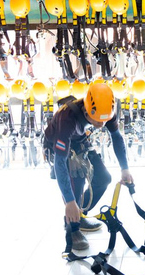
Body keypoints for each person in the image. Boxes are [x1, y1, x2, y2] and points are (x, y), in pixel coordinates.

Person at [42, 82, 133, 251]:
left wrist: (124, 168)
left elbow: (116, 137)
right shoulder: (67, 118)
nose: (101, 125)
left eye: (104, 120)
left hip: (80, 139)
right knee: (76, 185)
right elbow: (60, 162)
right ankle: (73, 230)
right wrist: (69, 201)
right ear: (86, 109)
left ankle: (78, 214)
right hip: (60, 144)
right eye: (97, 121)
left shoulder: (106, 110)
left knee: (103, 178)